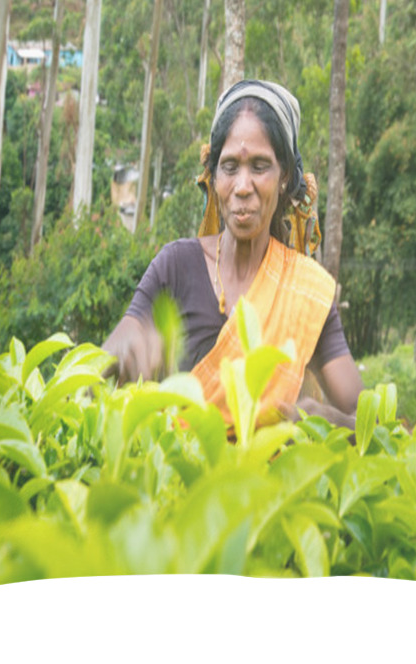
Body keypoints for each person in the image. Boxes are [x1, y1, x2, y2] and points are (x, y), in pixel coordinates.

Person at [103, 79, 363, 429]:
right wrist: (123, 350)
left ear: (284, 176)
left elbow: (366, 418)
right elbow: (114, 349)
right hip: (178, 481)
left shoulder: (307, 293)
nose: (242, 187)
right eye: (229, 167)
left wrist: (332, 424)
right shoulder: (176, 267)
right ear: (213, 174)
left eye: (260, 166)